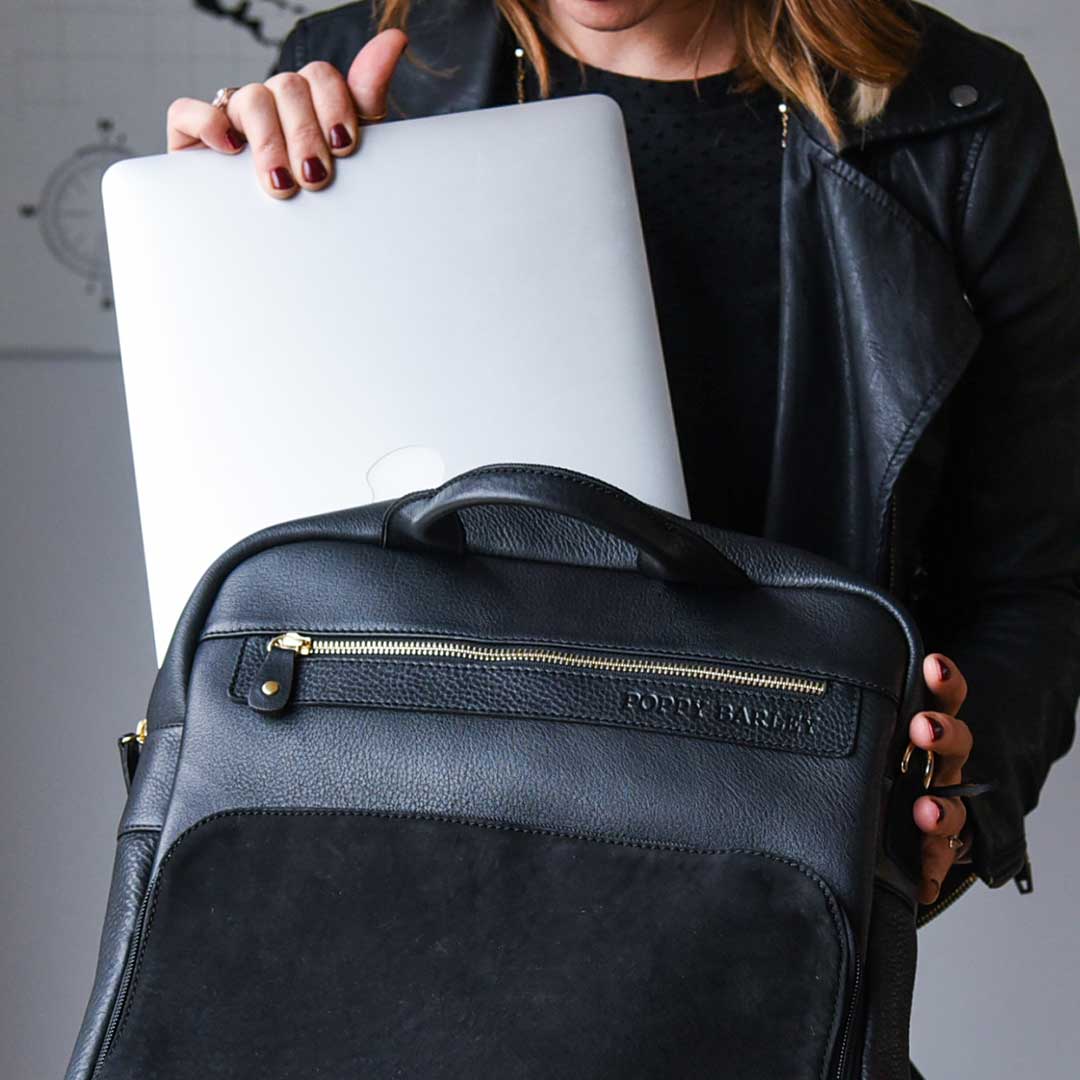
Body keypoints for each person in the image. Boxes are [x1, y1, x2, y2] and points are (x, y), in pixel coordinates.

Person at [165, 0, 1080, 1074]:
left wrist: (951, 805)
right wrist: (220, 238)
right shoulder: (361, 73)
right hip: (390, 902)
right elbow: (270, 588)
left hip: (750, 936)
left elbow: (1035, 583)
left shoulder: (958, 115)